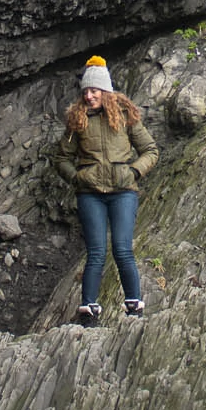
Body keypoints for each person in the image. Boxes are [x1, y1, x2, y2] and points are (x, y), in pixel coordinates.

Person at [53, 56, 157, 326]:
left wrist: (134, 171)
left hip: (123, 191)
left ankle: (134, 306)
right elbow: (61, 158)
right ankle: (88, 309)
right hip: (90, 193)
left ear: (105, 91)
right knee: (96, 251)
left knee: (122, 249)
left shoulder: (125, 116)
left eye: (94, 91)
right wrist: (77, 178)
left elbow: (150, 150)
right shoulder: (77, 121)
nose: (88, 96)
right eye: (86, 92)